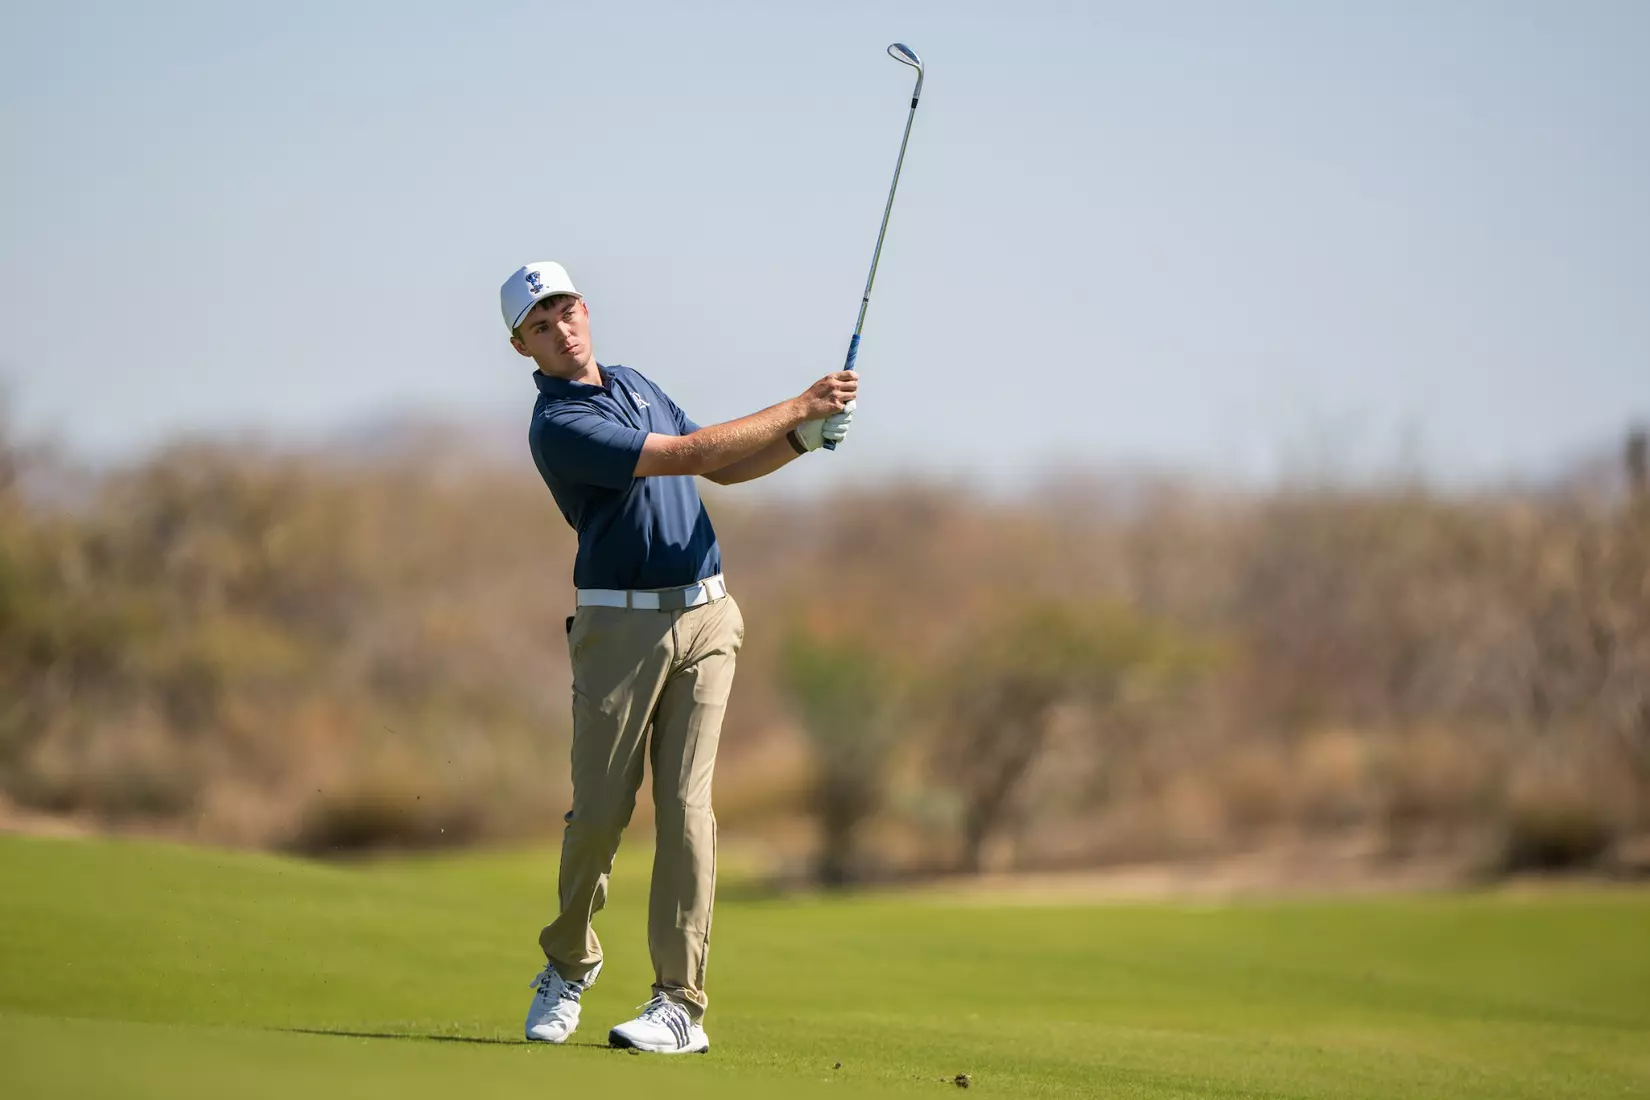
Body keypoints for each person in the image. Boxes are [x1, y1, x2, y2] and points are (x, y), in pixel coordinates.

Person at [502, 261, 856, 1054]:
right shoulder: (559, 423)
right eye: (539, 326)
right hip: (618, 632)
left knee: (688, 812)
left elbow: (725, 466)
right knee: (598, 816)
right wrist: (799, 402)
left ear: (584, 310)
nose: (560, 331)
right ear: (523, 348)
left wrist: (801, 439)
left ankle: (678, 1005)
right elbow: (693, 453)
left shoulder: (633, 382)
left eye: (565, 311)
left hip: (707, 617)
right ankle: (568, 963)